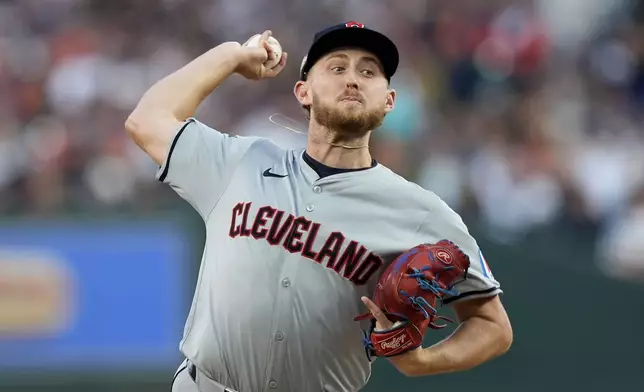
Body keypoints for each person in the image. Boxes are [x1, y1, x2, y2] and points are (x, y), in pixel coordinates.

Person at [125, 22, 513, 392]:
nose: (352, 78)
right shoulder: (239, 162)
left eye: (369, 72)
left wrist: (425, 362)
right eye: (337, 66)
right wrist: (231, 57)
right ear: (303, 92)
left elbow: (493, 325)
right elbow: (147, 120)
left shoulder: (422, 212)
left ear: (389, 101)